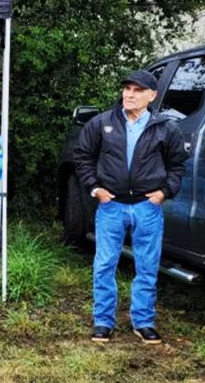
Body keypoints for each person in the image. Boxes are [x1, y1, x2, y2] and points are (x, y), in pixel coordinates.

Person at [74, 69, 187, 344]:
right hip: (111, 206)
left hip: (147, 208)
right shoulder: (102, 123)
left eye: (137, 90)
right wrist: (95, 188)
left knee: (147, 267)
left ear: (152, 95)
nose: (130, 94)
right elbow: (82, 157)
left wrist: (164, 192)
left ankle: (144, 322)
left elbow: (177, 165)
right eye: (127, 89)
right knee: (104, 265)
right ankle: (103, 322)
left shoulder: (166, 127)